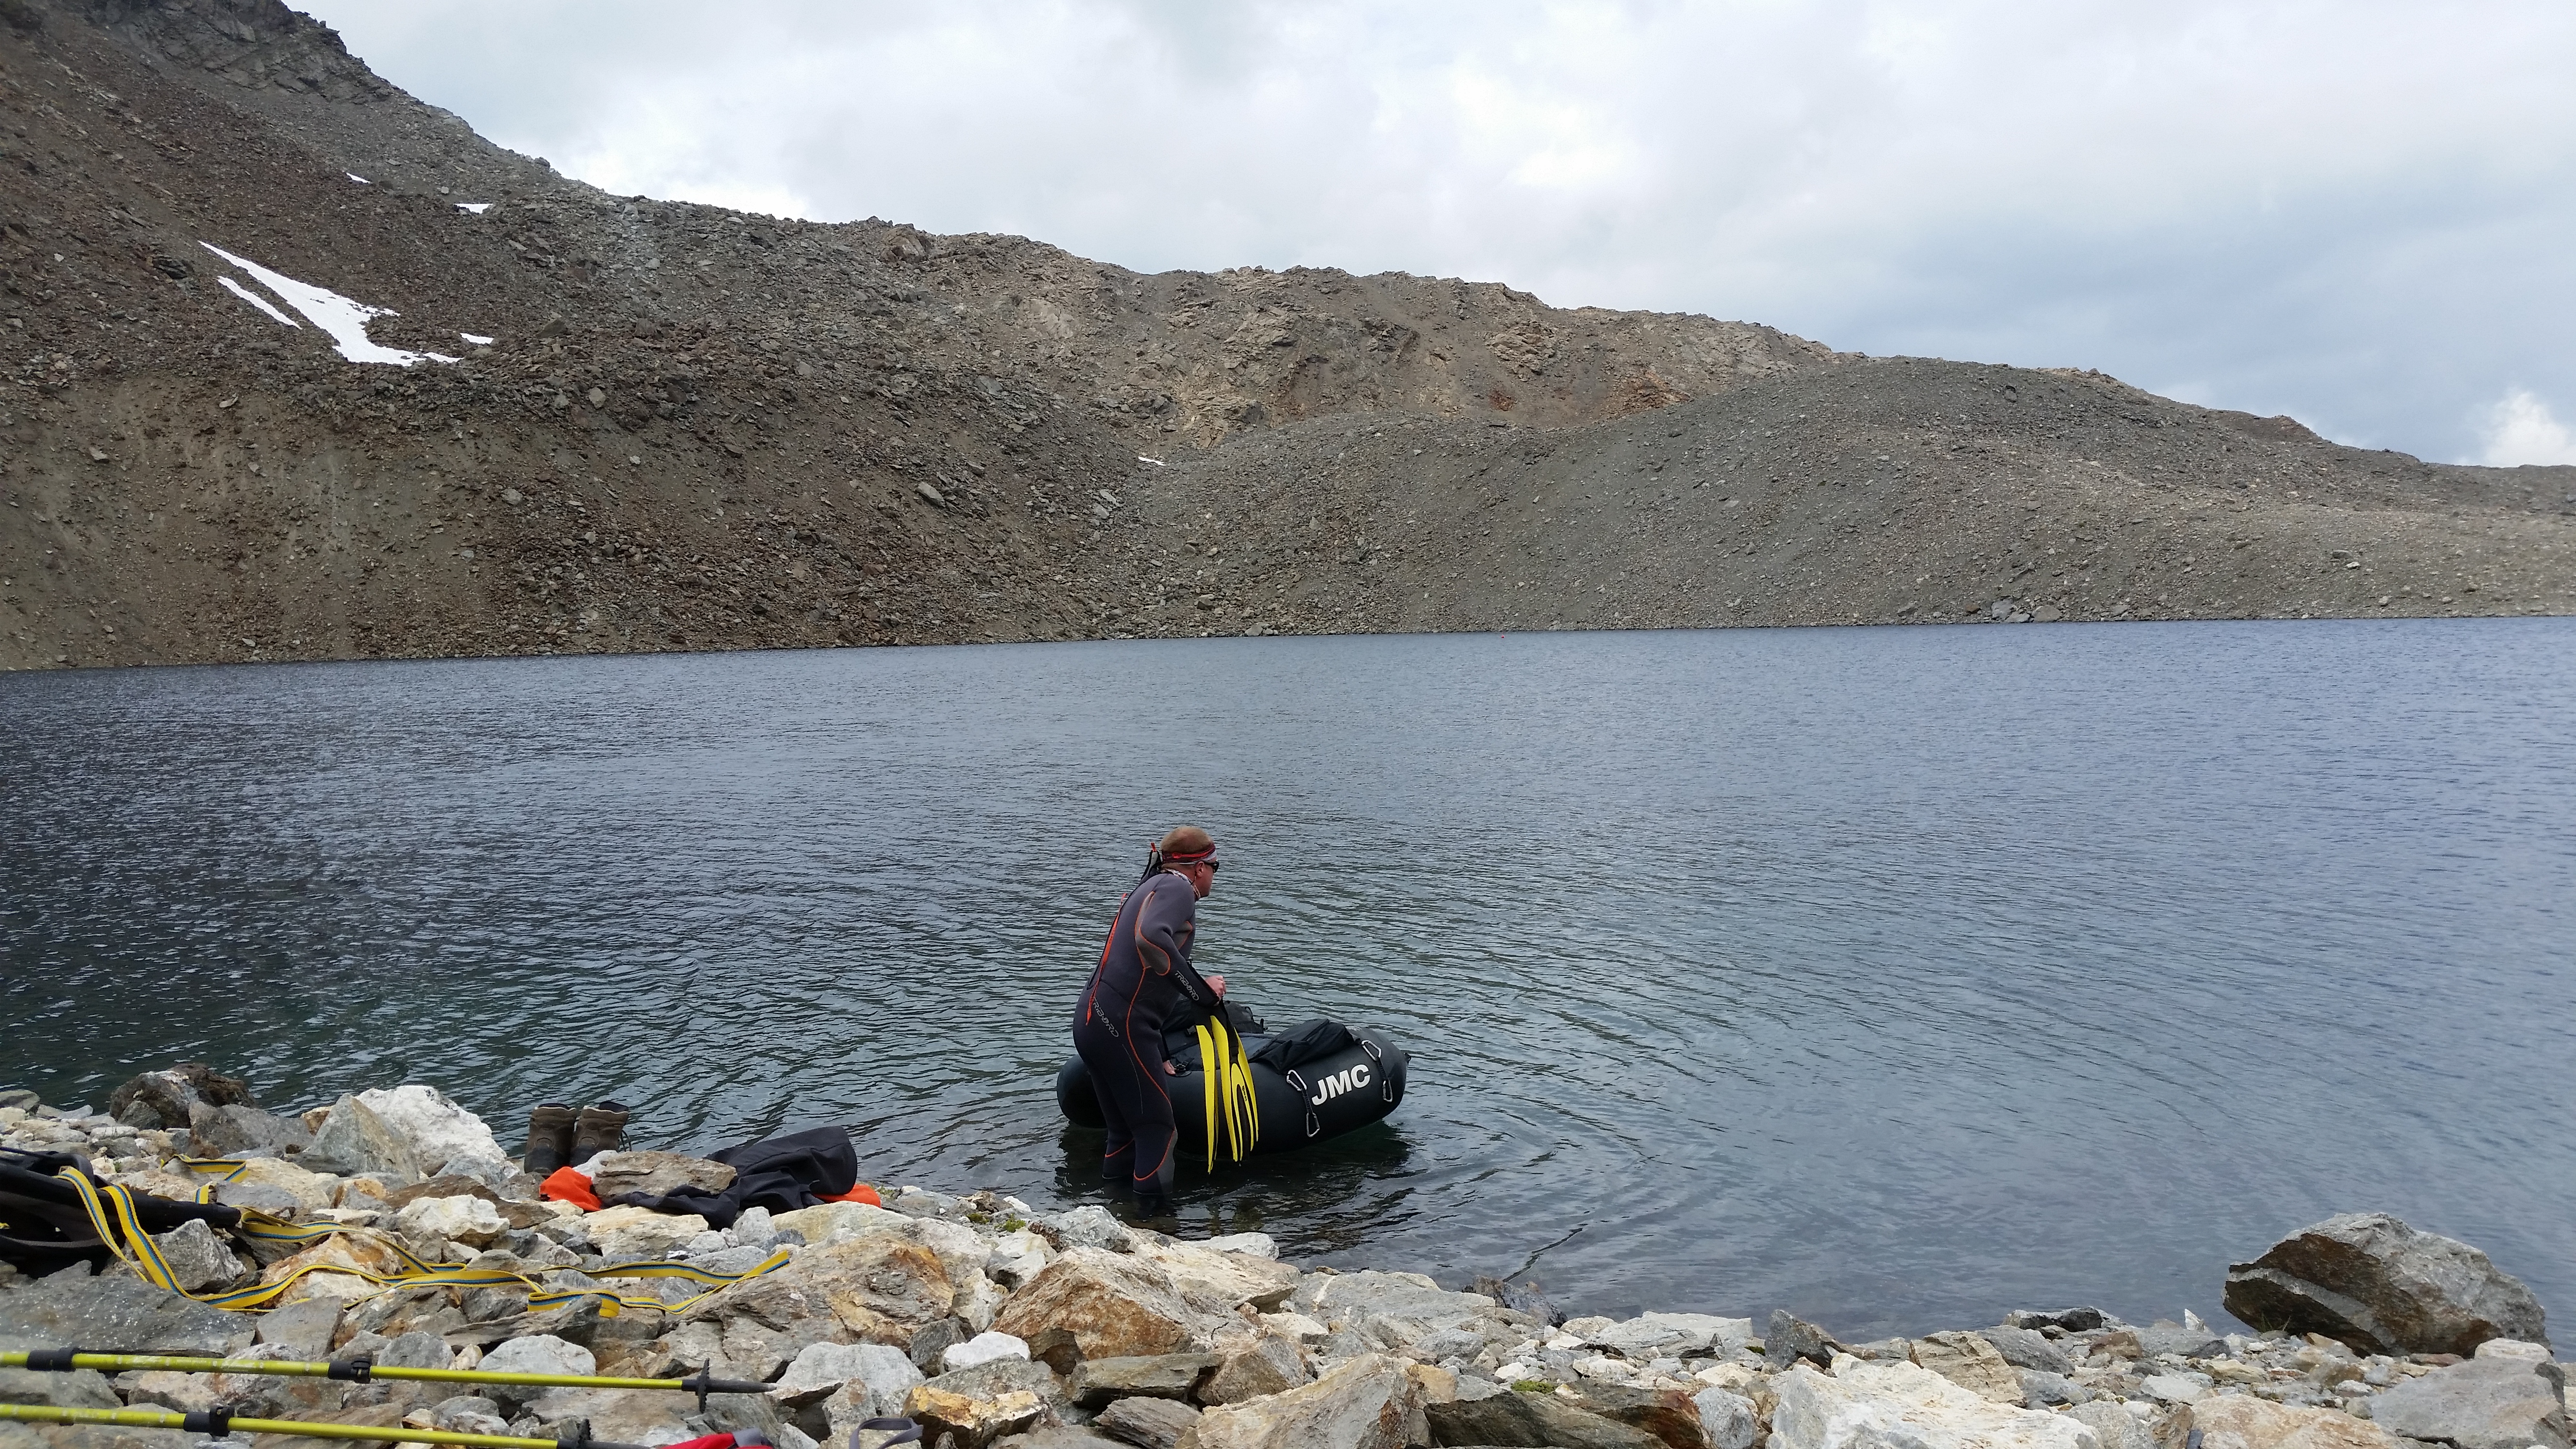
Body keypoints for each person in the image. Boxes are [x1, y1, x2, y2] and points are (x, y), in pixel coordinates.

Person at [1070, 825, 1227, 1216]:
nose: (1214, 875)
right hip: (1122, 1026)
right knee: (1159, 1132)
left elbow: (1143, 976)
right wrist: (1203, 993)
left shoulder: (1150, 885)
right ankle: (1155, 1230)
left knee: (1124, 1132)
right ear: (1197, 868)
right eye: (1215, 865)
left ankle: (1114, 1218)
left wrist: (1158, 1050)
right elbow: (1150, 939)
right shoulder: (1177, 889)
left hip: (1093, 1020)